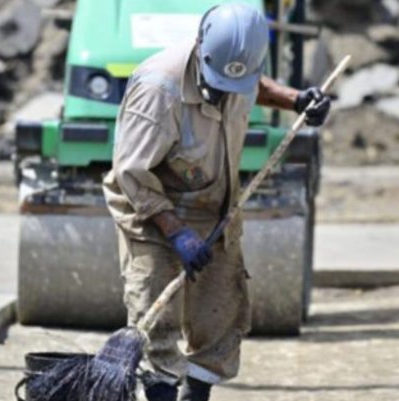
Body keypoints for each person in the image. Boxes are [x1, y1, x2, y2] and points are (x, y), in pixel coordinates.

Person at [102, 3, 331, 401]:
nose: (226, 90)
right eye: (218, 82)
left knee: (222, 315)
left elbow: (253, 85)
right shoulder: (159, 90)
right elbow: (132, 175)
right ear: (203, 45)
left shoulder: (236, 69)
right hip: (152, 206)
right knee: (156, 320)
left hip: (214, 208)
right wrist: (176, 233)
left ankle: (196, 393)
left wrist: (296, 100)